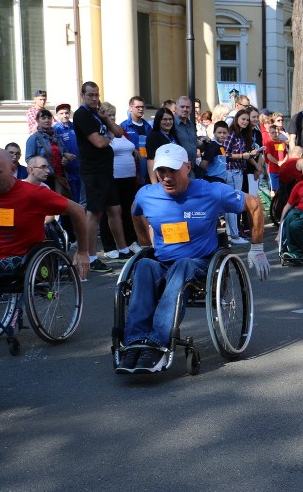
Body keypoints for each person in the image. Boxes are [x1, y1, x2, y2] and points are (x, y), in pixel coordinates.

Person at [118, 144, 269, 371]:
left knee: (182, 266)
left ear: (187, 167)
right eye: (162, 171)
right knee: (143, 266)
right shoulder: (147, 195)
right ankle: (135, 340)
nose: (166, 177)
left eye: (172, 171)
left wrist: (257, 247)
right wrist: (145, 244)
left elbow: (254, 204)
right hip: (163, 262)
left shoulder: (211, 191)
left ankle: (158, 340)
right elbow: (135, 211)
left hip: (199, 264)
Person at [0, 148, 89, 288]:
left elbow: (78, 211)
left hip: (27, 260)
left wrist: (82, 251)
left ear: (12, 169)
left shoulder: (34, 194)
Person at [72, 81, 130, 274]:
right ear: (82, 95)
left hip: (106, 169)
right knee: (94, 213)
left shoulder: (98, 113)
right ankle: (91, 256)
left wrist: (106, 118)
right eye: (91, 95)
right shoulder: (81, 115)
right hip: (93, 170)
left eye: (97, 95)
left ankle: (123, 250)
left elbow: (119, 132)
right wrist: (110, 138)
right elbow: (98, 142)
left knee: (115, 209)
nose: (95, 99)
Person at [97, 102, 135, 259]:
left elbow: (129, 146)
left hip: (129, 178)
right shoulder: (103, 132)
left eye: (113, 115)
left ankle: (129, 242)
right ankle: (109, 246)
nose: (111, 118)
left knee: (126, 211)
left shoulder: (121, 131)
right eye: (108, 115)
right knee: (110, 213)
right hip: (113, 177)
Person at [222, 108, 262, 245]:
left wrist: (251, 154)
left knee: (233, 203)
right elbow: (225, 154)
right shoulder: (231, 133)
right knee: (232, 202)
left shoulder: (242, 134)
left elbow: (243, 153)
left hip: (239, 171)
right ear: (237, 119)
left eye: (247, 119)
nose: (245, 121)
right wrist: (242, 156)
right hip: (231, 171)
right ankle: (233, 235)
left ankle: (232, 234)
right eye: (243, 119)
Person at [25, 109, 74, 198]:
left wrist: (64, 159)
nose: (47, 120)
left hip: (59, 177)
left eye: (49, 118)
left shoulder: (56, 137)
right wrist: (40, 169)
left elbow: (62, 153)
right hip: (44, 178)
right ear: (37, 120)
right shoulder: (34, 139)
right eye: (43, 118)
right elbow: (29, 159)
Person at [119, 96, 152, 186]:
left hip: (146, 166)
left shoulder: (148, 127)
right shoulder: (123, 126)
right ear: (130, 108)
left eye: (143, 107)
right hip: (131, 166)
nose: (141, 109)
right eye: (138, 107)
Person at [53, 103, 82, 203]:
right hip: (66, 170)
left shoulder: (75, 126)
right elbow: (54, 148)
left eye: (66, 113)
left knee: (81, 197)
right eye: (61, 113)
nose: (64, 115)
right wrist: (63, 155)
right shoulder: (55, 129)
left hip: (79, 167)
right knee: (69, 198)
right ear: (57, 115)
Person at [145, 107, 178, 184]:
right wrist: (154, 184)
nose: (168, 122)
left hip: (172, 176)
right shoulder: (153, 136)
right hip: (160, 178)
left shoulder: (173, 136)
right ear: (158, 121)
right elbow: (151, 160)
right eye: (165, 119)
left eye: (170, 119)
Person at [173, 96, 199, 176]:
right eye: (182, 107)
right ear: (176, 108)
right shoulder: (171, 124)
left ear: (191, 109)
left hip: (191, 168)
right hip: (177, 169)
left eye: (187, 107)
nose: (185, 109)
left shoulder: (191, 125)